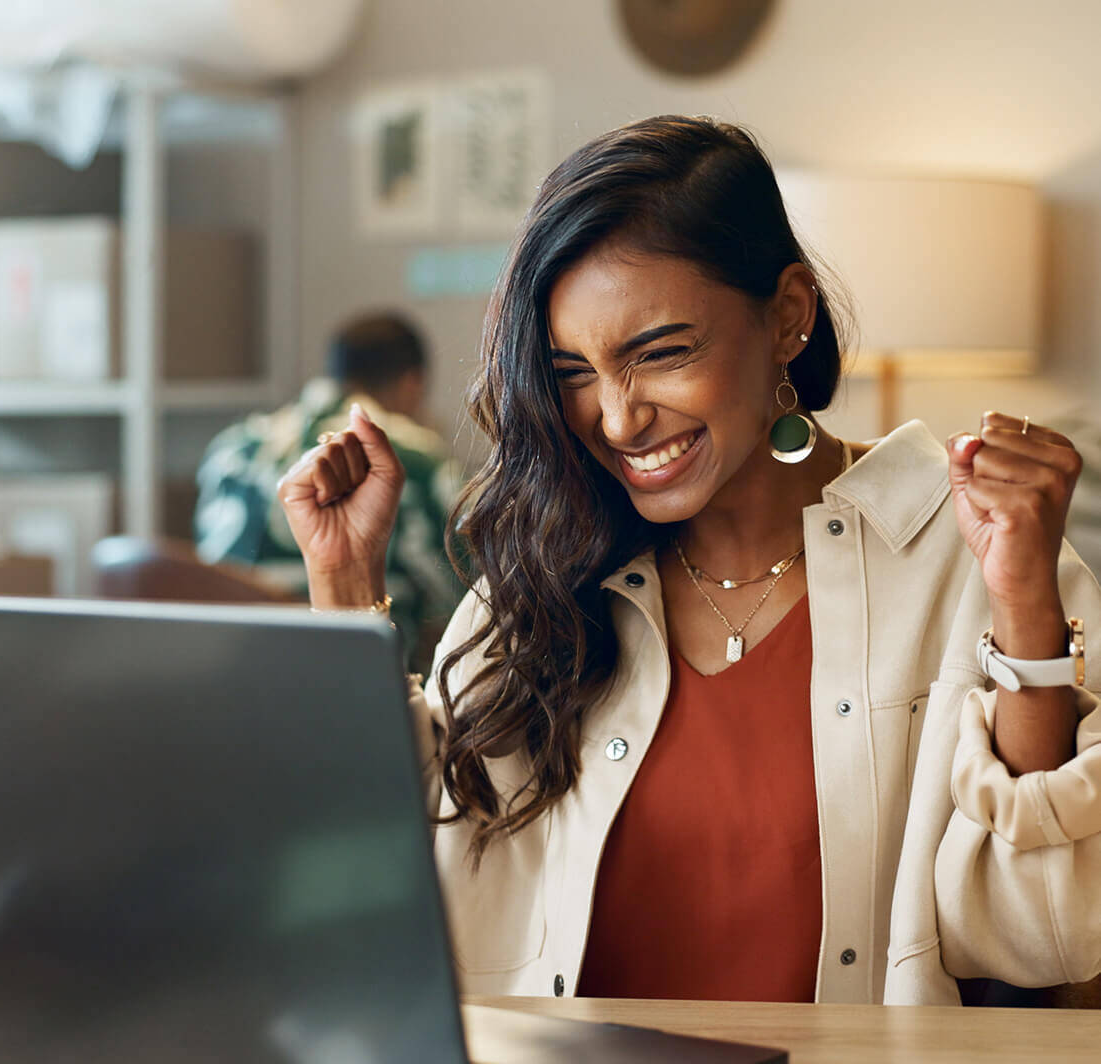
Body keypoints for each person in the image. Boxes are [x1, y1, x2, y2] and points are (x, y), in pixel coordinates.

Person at [277, 116, 1101, 1005]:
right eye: (574, 373)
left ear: (788, 313)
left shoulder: (966, 549)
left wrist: (1021, 607)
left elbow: (1043, 936)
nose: (619, 419)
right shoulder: (549, 570)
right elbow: (367, 882)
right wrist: (345, 585)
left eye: (661, 353)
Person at [194, 312, 462, 671]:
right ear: (412, 383)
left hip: (230, 677)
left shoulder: (231, 451)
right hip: (363, 685)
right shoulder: (415, 458)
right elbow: (472, 603)